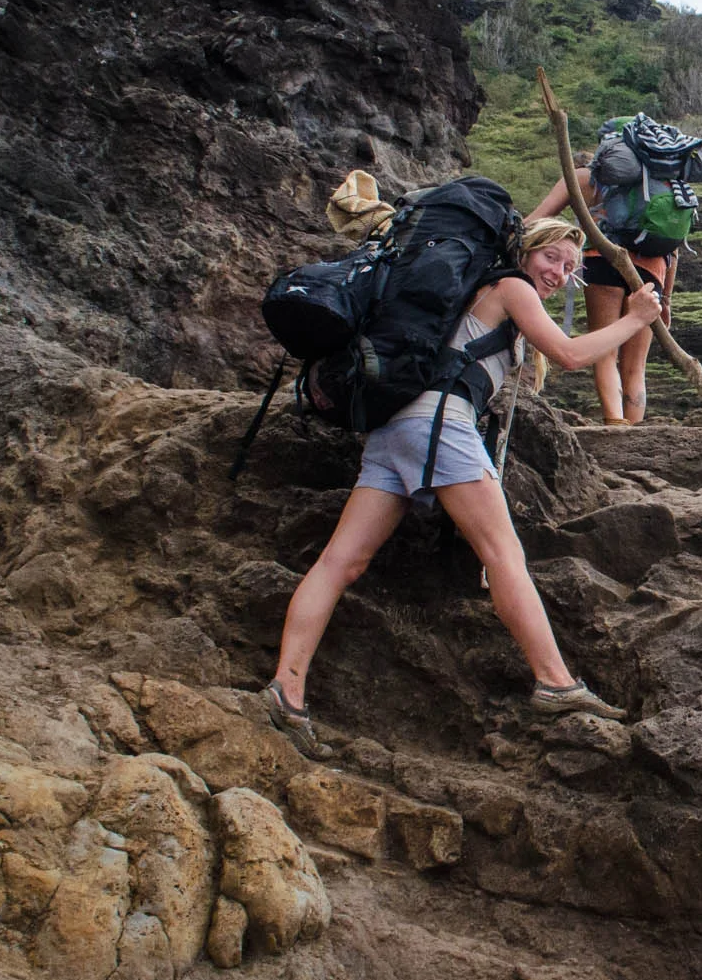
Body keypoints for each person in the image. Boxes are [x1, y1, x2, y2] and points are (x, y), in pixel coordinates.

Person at [264, 216, 661, 757]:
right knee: (503, 552)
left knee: (342, 562)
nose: (559, 273)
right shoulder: (509, 286)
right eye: (552, 258)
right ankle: (554, 681)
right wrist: (634, 318)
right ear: (527, 250)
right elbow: (569, 355)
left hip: (398, 424)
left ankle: (286, 690)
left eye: (570, 268)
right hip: (438, 422)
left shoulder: (478, 289)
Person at [530, 165, 670, 426]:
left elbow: (539, 218)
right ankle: (636, 429)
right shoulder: (664, 185)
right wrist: (668, 299)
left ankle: (615, 423)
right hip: (653, 270)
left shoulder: (584, 177)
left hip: (603, 260)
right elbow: (674, 249)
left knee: (606, 351)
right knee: (636, 365)